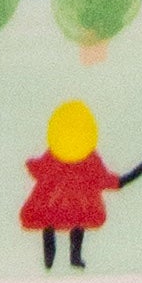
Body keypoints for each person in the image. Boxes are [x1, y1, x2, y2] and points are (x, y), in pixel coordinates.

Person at [20, 100, 120, 269]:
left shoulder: (86, 157)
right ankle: (53, 259)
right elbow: (102, 178)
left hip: (63, 200)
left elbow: (101, 177)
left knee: (70, 223)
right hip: (66, 200)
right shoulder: (58, 154)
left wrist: (116, 181)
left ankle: (65, 258)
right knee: (57, 223)